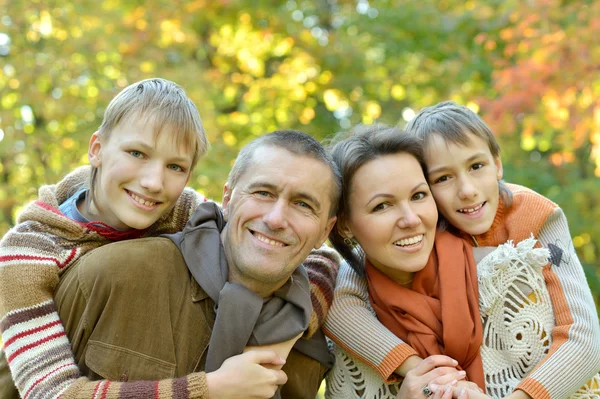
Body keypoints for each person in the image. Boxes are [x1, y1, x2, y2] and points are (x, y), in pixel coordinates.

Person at [0, 76, 335, 398]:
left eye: (175, 167)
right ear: (97, 148)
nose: (153, 182)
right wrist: (210, 390)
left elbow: (316, 258)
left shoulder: (179, 209)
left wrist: (285, 334)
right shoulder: (27, 255)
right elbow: (52, 394)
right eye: (137, 153)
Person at [323, 105, 600, 399]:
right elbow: (342, 305)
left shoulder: (535, 215)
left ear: (497, 164)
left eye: (476, 166)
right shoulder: (420, 229)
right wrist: (418, 369)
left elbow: (583, 335)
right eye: (442, 178)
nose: (467, 190)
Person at [51, 129, 340, 398]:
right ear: (227, 199)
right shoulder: (108, 275)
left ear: (325, 232)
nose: (276, 219)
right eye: (263, 193)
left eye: (303, 204)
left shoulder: (308, 339)